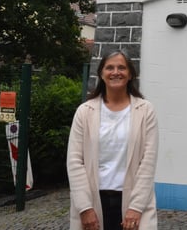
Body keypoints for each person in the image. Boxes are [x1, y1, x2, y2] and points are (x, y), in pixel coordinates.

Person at [67, 50, 159, 230]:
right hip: (94, 200)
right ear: (101, 74)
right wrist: (85, 208)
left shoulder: (145, 111)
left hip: (132, 201)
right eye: (109, 67)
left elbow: (148, 161)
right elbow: (74, 161)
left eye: (121, 67)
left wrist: (136, 207)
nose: (115, 72)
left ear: (130, 73)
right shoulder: (85, 112)